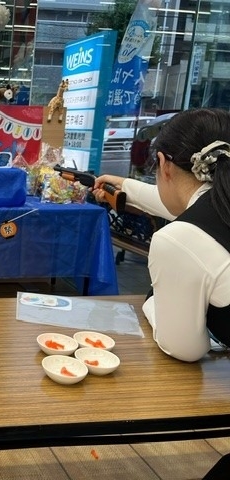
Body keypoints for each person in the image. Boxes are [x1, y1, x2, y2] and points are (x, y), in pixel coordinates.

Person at [93, 108, 230, 363]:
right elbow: (183, 203)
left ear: (163, 164)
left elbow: (185, 348)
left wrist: (152, 303)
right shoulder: (220, 205)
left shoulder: (179, 239)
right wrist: (125, 186)